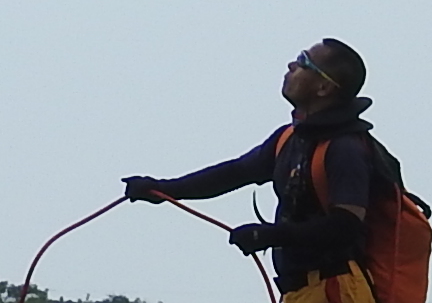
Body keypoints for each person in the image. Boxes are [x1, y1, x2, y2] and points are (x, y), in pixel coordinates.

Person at [124, 38, 410, 302]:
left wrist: (270, 236)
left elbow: (345, 225)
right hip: (300, 290)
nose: (291, 65)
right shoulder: (288, 138)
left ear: (324, 88)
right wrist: (162, 189)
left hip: (336, 289)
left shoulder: (345, 148)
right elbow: (235, 172)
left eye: (303, 62)